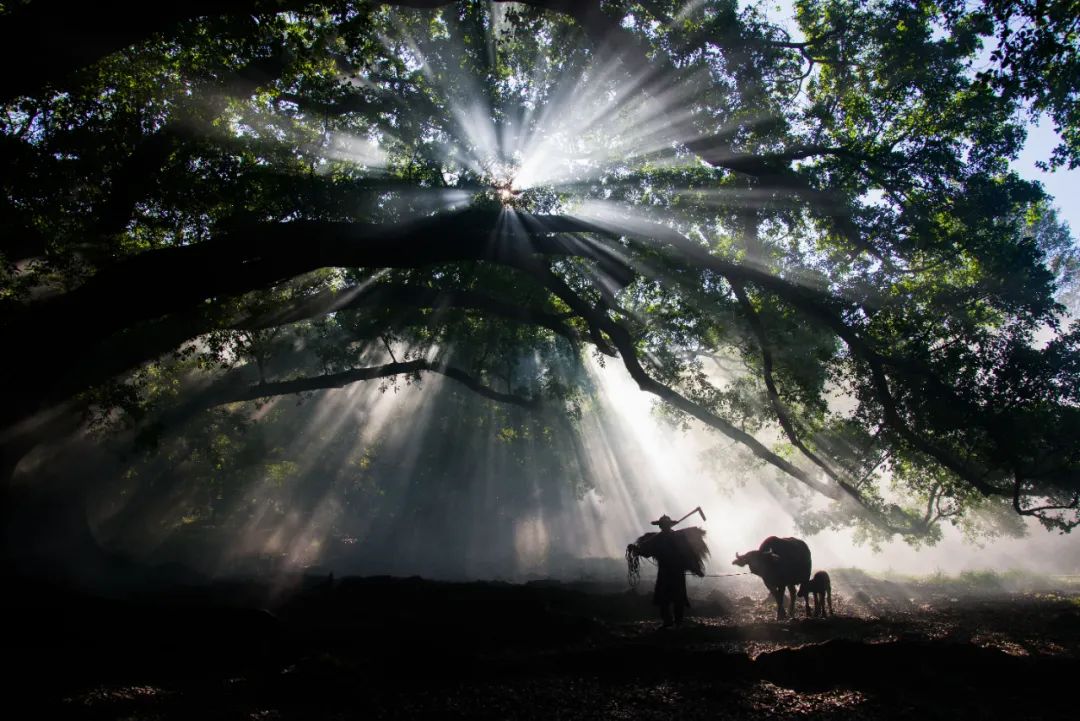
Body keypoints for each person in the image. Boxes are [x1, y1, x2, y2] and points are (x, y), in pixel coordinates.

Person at [629, 514, 702, 627]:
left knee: (669, 599)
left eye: (664, 525)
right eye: (663, 525)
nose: (663, 527)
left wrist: (638, 550)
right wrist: (636, 550)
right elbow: (647, 552)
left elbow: (647, 553)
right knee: (671, 599)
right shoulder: (667, 538)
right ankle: (673, 623)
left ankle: (673, 623)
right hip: (674, 573)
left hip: (668, 573)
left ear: (662, 526)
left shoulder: (664, 539)